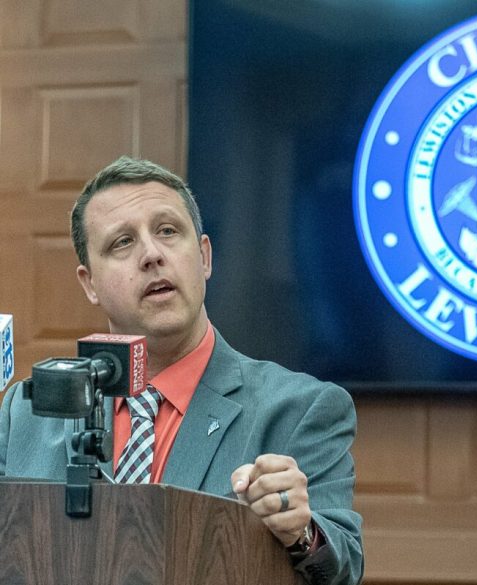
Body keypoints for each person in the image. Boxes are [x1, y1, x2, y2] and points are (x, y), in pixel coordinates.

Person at [0, 156, 363, 585]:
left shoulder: (298, 409)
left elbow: (343, 569)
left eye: (168, 232)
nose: (152, 255)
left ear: (204, 257)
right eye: (122, 243)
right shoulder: (24, 414)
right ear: (89, 283)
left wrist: (301, 533)